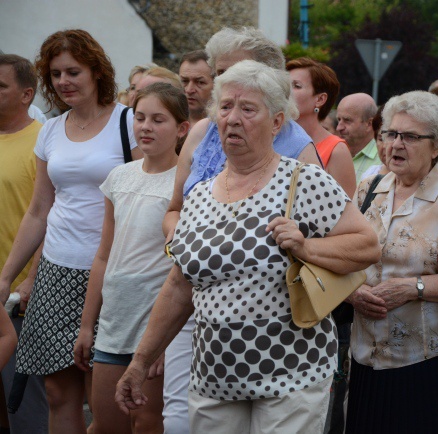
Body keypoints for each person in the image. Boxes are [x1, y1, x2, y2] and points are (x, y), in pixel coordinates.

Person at [115, 59, 380, 434]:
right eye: (225, 107)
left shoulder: (303, 181)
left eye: (247, 108)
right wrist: (140, 361)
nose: (232, 118)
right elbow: (178, 285)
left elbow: (367, 246)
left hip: (291, 375)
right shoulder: (201, 194)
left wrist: (306, 248)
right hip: (214, 374)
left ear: (276, 123)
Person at [160, 26, 321, 434]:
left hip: (270, 326)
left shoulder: (298, 149)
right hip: (194, 295)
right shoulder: (201, 132)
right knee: (180, 421)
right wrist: (185, 243)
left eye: (234, 71)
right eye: (219, 74)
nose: (221, 84)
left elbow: (324, 239)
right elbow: (175, 209)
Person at [0, 29, 140, 434]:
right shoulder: (51, 129)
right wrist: (9, 274)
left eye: (73, 71)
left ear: (96, 71)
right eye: (56, 73)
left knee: (104, 402)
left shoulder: (128, 123)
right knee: (59, 396)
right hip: (56, 273)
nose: (64, 81)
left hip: (112, 274)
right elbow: (39, 209)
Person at [346, 91, 438, 433]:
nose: (396, 144)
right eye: (391, 134)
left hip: (434, 363)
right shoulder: (370, 187)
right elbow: (345, 258)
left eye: (410, 137)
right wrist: (351, 293)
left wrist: (414, 288)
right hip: (368, 356)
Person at [73, 83, 189, 434]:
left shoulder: (188, 184)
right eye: (139, 118)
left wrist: (172, 342)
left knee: (147, 423)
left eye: (158, 119)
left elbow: (185, 270)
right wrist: (86, 324)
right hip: (113, 324)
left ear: (182, 128)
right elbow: (105, 256)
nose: (146, 127)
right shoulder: (118, 177)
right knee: (107, 423)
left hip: (155, 326)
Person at [0, 53, 48, 434]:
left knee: (23, 409)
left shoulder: (41, 142)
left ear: (26, 94)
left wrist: (31, 278)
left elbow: (48, 216)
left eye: (1, 86)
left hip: (17, 300)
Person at [287, 57, 356, 197]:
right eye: (285, 85)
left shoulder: (337, 151)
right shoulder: (272, 139)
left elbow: (346, 211)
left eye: (296, 86)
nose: (286, 92)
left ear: (320, 99)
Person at [336, 93, 380, 183]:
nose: (338, 128)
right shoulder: (334, 153)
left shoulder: (384, 160)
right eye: (339, 120)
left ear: (369, 124)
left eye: (347, 120)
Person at [178, 50, 214, 128]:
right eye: (184, 81)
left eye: (200, 82)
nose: (189, 90)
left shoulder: (222, 129)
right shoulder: (168, 124)